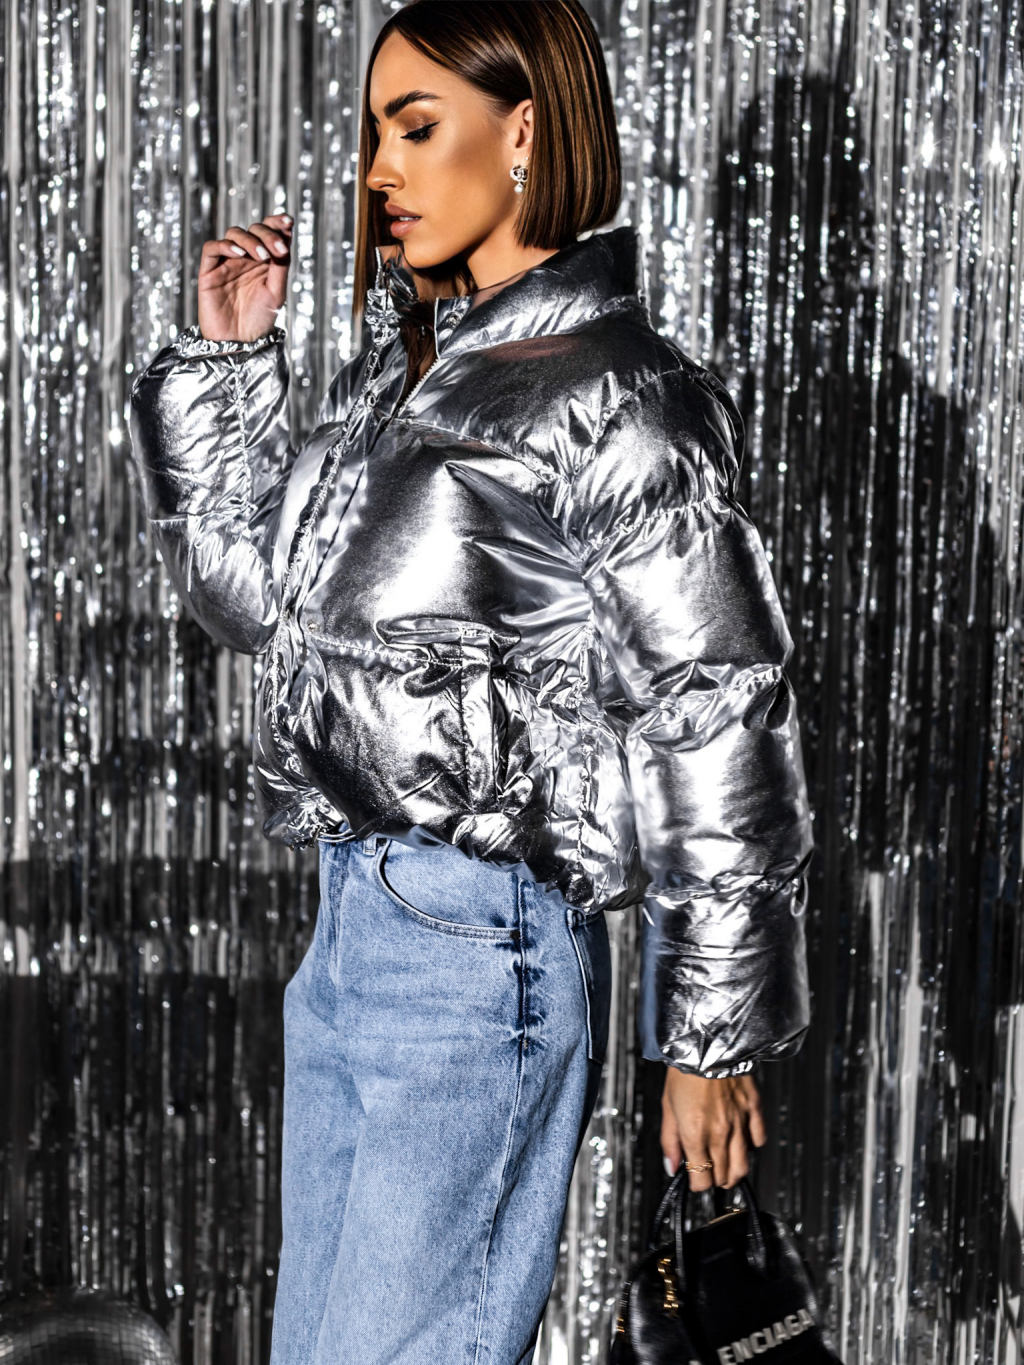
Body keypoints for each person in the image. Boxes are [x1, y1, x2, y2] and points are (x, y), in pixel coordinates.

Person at [127, 1, 815, 1361]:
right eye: (374, 132)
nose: (380, 168)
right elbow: (255, 609)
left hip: (479, 955)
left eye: (417, 126)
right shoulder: (405, 377)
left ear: (524, 134)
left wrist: (710, 1037)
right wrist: (228, 364)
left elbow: (714, 708)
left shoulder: (622, 394)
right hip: (351, 931)